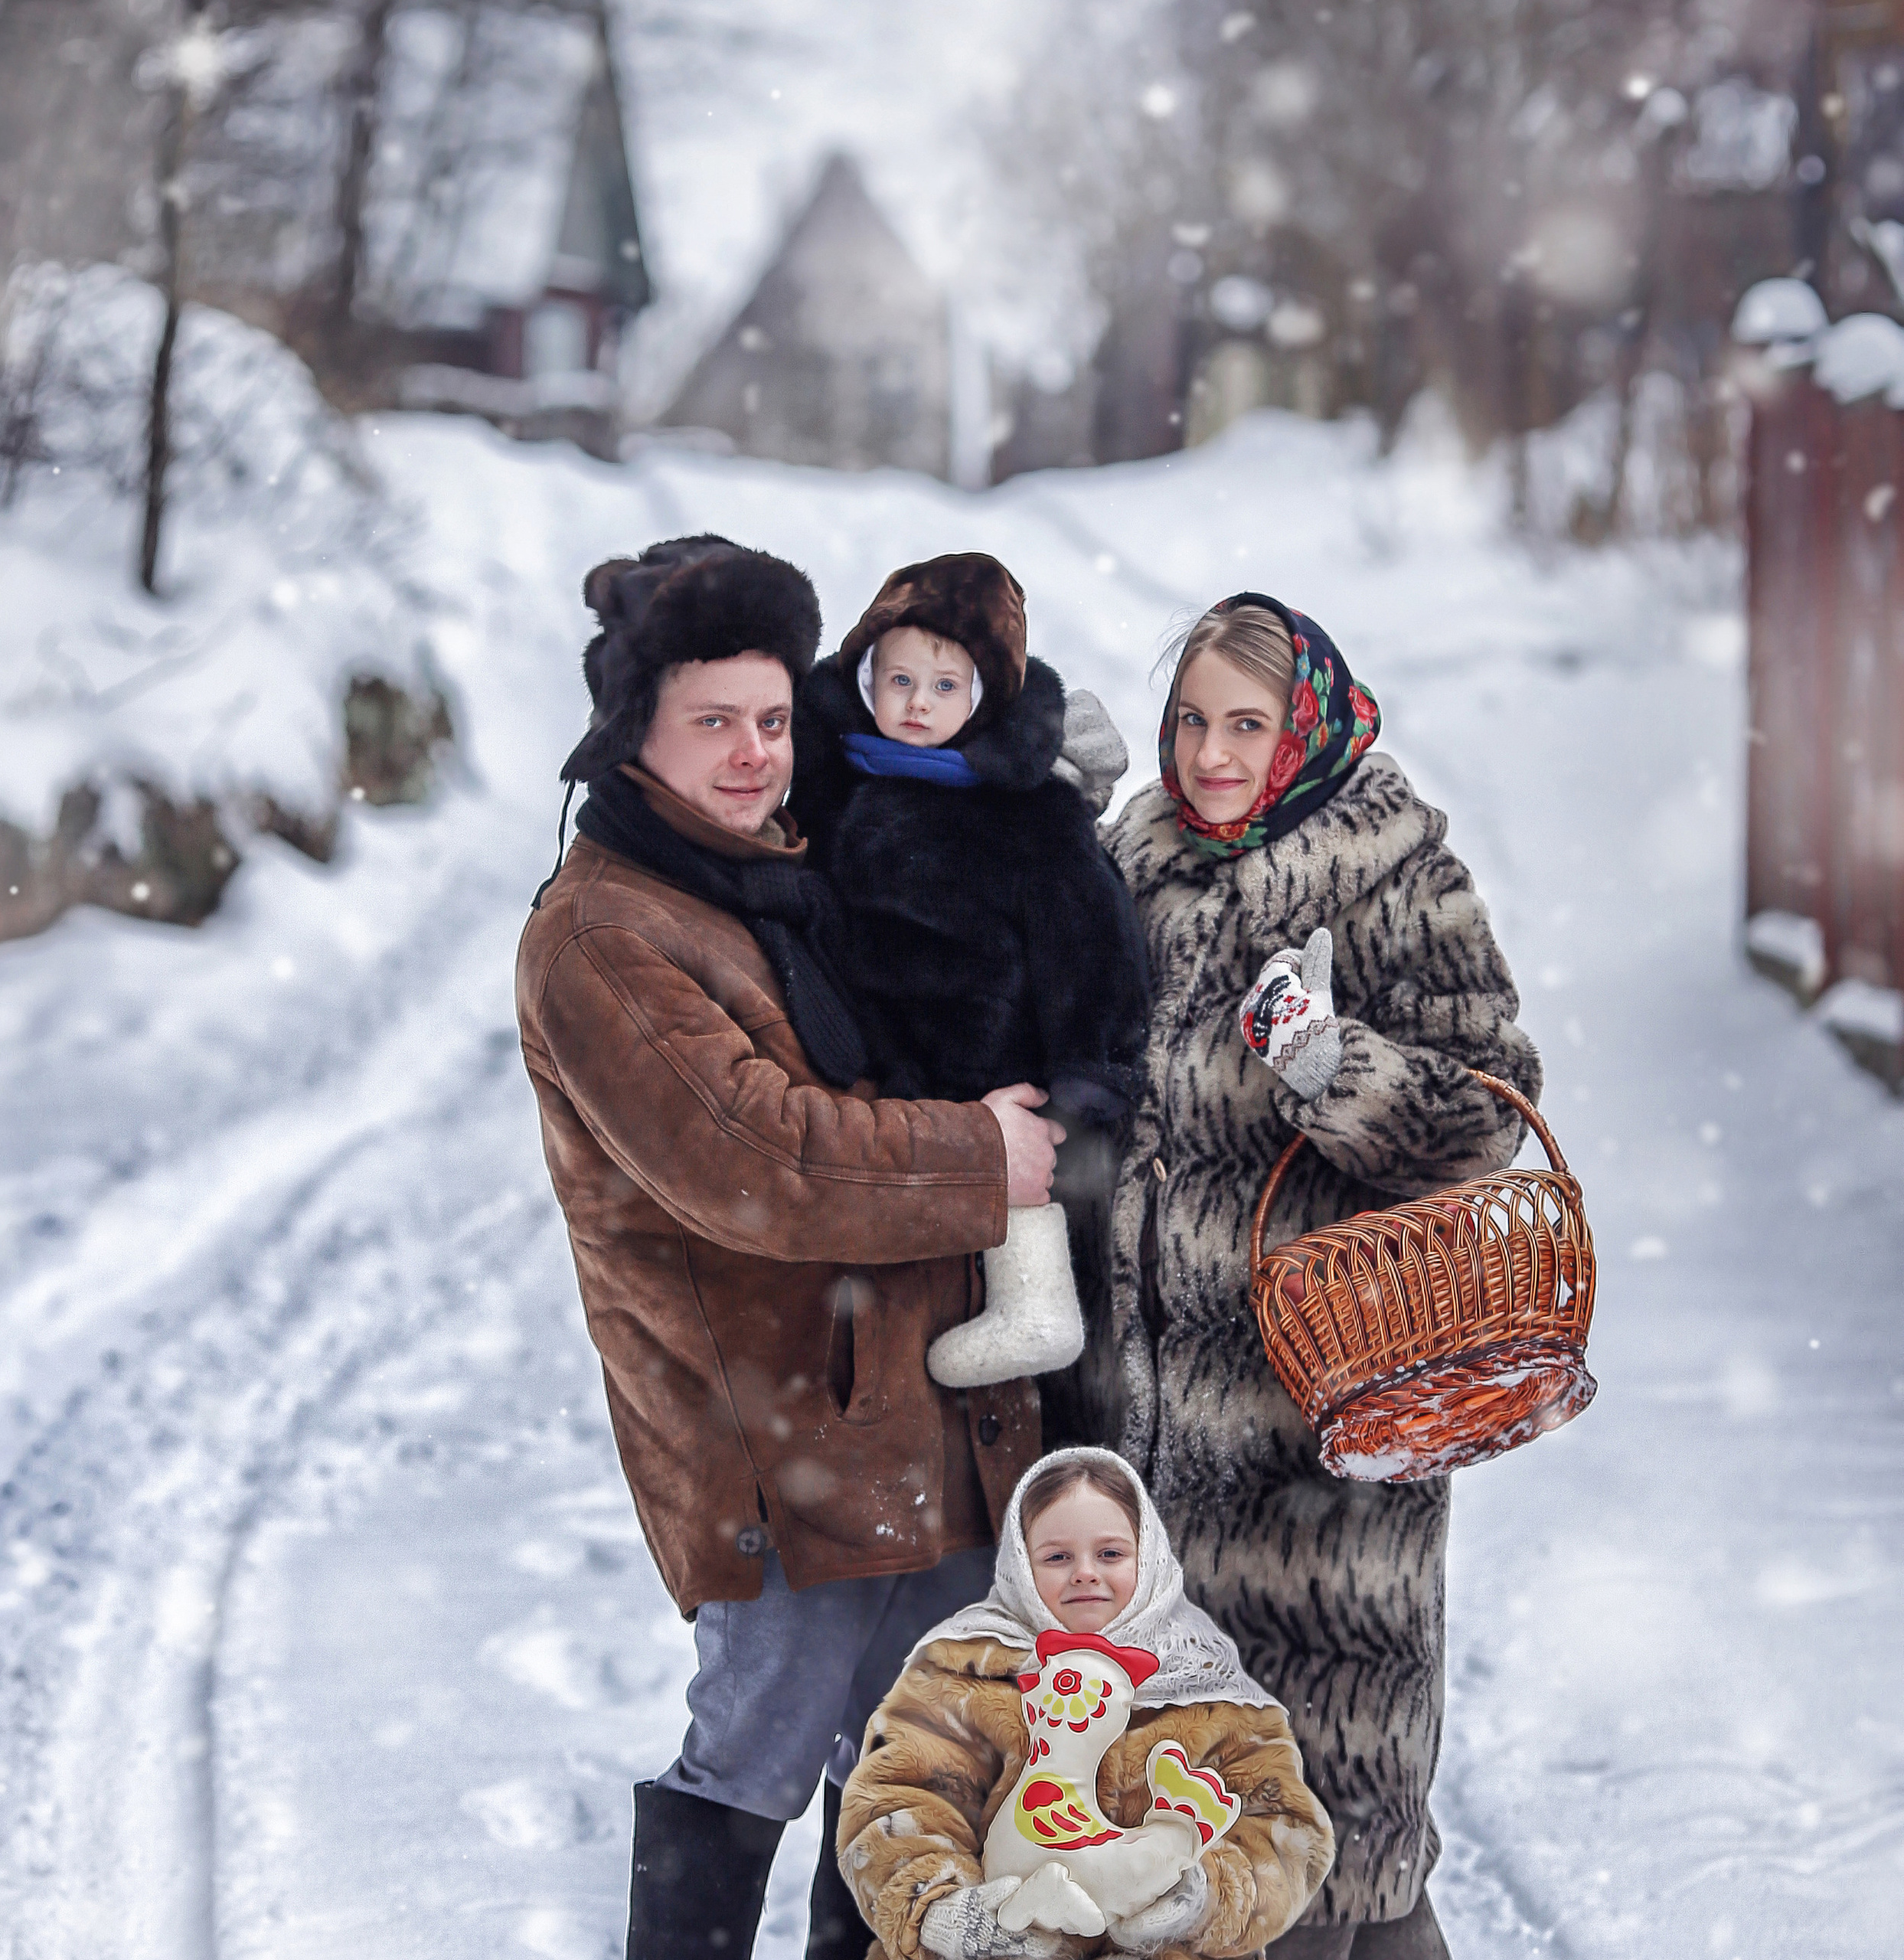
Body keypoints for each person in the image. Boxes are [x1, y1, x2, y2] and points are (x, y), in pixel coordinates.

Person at [516, 535, 1070, 1960]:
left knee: (911, 1767)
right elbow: (760, 1161)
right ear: (633, 729)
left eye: (773, 718)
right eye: (715, 722)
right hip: (768, 1432)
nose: (757, 753)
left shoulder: (775, 868)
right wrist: (978, 1154)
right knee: (752, 1756)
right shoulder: (603, 932)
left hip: (910, 1402)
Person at [1105, 595, 1543, 1958]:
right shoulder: (1141, 864)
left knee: (1339, 1828)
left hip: (1324, 1426)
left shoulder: (1394, 869)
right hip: (1154, 1430)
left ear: (1309, 728)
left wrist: (1330, 1066)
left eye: (1248, 724)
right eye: (1192, 722)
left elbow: (1493, 1108)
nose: (1213, 756)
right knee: (1201, 1825)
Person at [790, 553, 1149, 1408]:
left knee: (1018, 1178)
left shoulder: (1026, 809)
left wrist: (1088, 1066)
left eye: (946, 687)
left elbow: (1090, 936)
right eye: (900, 679)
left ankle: (1036, 1308)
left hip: (992, 1056)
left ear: (985, 698)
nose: (917, 704)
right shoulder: (834, 771)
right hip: (880, 1057)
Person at [835, 1448, 1336, 1957]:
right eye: (1057, 1557)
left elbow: (1287, 1831)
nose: (1085, 1573)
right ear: (1019, 1566)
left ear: (1151, 1556)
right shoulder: (961, 1671)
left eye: (1111, 1554)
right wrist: (944, 1912)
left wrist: (1204, 1896)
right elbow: (895, 1802)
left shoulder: (1210, 1688)